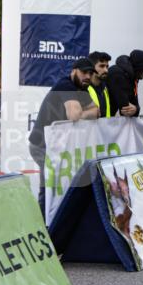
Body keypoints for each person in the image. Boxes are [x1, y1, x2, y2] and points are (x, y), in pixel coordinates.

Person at [28, 57, 100, 205]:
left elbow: (96, 111)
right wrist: (82, 112)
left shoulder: (81, 89)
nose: (87, 76)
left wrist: (82, 113)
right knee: (50, 188)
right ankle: (43, 224)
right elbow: (74, 115)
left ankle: (54, 222)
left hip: (58, 144)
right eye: (84, 72)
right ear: (73, 71)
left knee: (61, 186)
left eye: (90, 73)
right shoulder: (65, 85)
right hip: (42, 146)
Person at [107, 49, 143, 116]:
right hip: (100, 121)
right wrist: (135, 109)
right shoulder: (118, 75)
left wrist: (136, 109)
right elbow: (125, 108)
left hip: (106, 120)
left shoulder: (132, 77)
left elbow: (134, 104)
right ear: (140, 66)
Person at [85, 51, 112, 118]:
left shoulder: (105, 88)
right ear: (91, 67)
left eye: (107, 66)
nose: (106, 70)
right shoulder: (83, 88)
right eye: (102, 66)